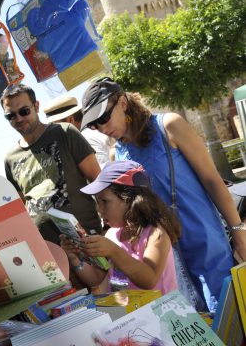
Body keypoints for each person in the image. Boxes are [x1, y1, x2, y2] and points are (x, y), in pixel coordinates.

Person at [80, 77, 246, 305]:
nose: (103, 128)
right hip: (161, 261)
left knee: (227, 316)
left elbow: (212, 181)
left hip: (205, 244)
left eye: (104, 118)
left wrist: (238, 231)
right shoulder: (115, 155)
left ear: (122, 103)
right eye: (94, 125)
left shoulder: (169, 125)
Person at [1, 84, 102, 243]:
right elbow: (21, 207)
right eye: (11, 115)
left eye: (24, 111)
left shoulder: (64, 132)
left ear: (36, 106)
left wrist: (111, 223)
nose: (18, 118)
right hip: (48, 251)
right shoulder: (10, 159)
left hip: (87, 241)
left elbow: (98, 181)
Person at [60, 161, 180, 295]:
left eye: (105, 201)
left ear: (130, 200)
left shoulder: (155, 234)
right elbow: (96, 278)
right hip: (129, 313)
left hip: (160, 312)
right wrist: (74, 258)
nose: (99, 209)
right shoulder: (111, 235)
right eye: (97, 202)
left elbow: (149, 279)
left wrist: (114, 251)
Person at [44, 95, 114, 167]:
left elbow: (103, 172)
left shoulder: (85, 139)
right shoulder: (93, 129)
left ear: (70, 120)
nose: (54, 130)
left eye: (56, 125)